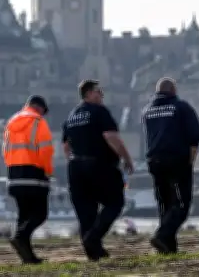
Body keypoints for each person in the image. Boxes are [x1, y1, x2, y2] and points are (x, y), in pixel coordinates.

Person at [63, 79, 135, 261]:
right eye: (98, 91)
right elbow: (111, 137)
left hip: (75, 167)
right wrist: (126, 158)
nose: (101, 94)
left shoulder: (71, 116)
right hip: (99, 165)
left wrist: (75, 163)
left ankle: (94, 253)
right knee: (115, 202)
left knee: (86, 211)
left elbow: (66, 147)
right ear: (87, 94)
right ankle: (93, 238)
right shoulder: (99, 112)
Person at [141, 77, 199, 254]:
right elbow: (194, 137)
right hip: (177, 159)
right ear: (173, 90)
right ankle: (162, 235)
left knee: (164, 203)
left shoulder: (147, 110)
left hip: (154, 160)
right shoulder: (181, 107)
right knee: (182, 203)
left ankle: (167, 247)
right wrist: (190, 161)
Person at [2, 95, 54, 264]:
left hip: (14, 175)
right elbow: (45, 151)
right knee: (40, 214)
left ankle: (27, 257)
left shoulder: (11, 123)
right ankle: (20, 237)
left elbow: (5, 150)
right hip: (34, 175)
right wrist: (47, 172)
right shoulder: (38, 122)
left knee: (24, 216)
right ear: (39, 108)